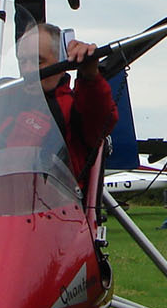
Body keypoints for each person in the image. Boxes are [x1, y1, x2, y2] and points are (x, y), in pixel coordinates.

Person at [29, 23, 117, 192]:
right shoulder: (3, 103)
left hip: (54, 209)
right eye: (23, 61)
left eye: (38, 62)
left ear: (60, 61)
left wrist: (90, 75)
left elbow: (101, 117)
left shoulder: (73, 107)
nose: (27, 69)